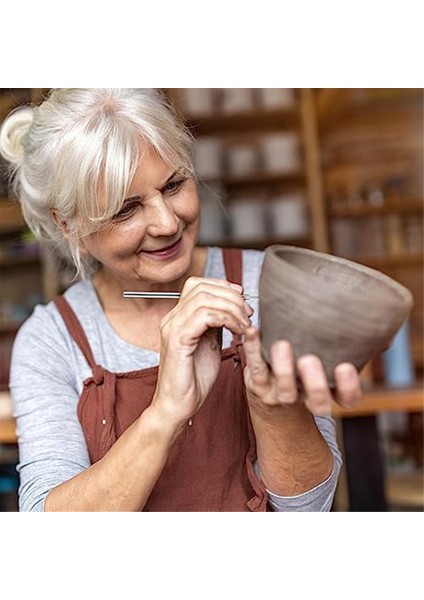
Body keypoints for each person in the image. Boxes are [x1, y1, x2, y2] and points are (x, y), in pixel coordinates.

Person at [0, 88, 362, 512]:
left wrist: (273, 407)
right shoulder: (50, 341)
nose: (167, 222)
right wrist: (167, 411)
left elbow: (312, 508)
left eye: (174, 185)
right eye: (125, 210)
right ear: (70, 226)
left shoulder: (269, 284)